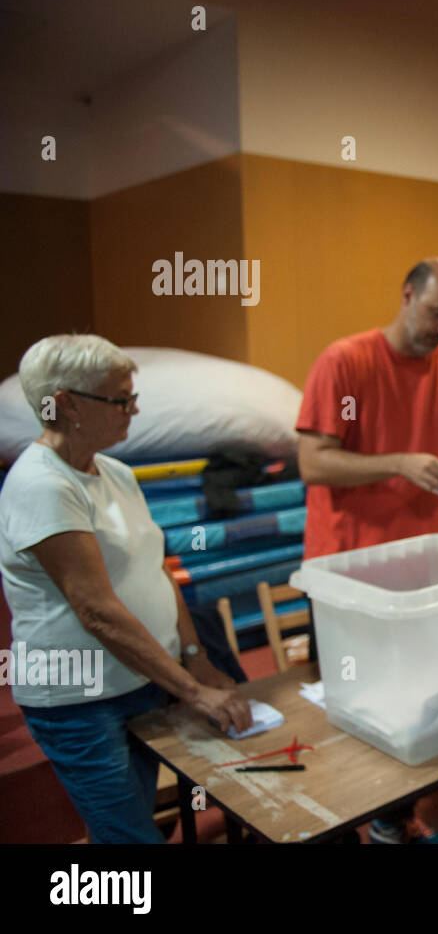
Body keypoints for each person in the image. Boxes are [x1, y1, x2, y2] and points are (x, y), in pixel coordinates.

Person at [0, 335, 252, 843]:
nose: (134, 409)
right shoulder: (41, 485)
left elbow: (158, 569)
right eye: (120, 399)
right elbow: (96, 612)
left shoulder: (114, 472)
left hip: (139, 681)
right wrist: (192, 691)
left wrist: (193, 654)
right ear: (67, 404)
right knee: (131, 841)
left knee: (121, 829)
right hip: (80, 700)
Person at [297, 256, 438, 844]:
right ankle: (339, 822)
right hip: (349, 571)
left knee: (421, 701)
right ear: (406, 294)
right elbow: (313, 462)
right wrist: (400, 463)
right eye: (436, 314)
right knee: (354, 710)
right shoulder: (345, 362)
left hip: (424, 571)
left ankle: (391, 819)